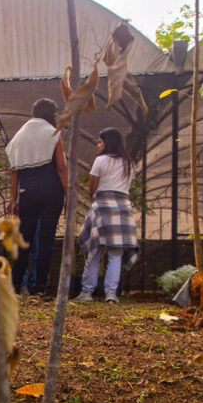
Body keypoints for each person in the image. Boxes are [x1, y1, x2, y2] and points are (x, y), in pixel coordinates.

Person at [6, 99, 68, 296]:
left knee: (25, 239)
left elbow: (14, 172)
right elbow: (60, 166)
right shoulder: (53, 132)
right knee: (46, 240)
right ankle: (40, 286)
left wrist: (13, 200)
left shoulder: (19, 136)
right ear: (51, 113)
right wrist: (68, 192)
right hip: (51, 191)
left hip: (27, 193)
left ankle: (15, 285)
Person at [75, 128, 139, 303]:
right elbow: (127, 187)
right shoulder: (129, 163)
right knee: (115, 255)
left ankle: (87, 292)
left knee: (94, 252)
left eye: (100, 141)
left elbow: (92, 187)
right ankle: (111, 294)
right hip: (123, 209)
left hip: (102, 207)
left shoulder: (100, 161)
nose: (98, 145)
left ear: (107, 142)